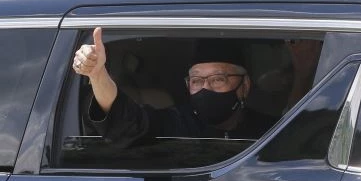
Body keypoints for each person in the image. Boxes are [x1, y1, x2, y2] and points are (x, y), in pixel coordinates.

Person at [72, 27, 277, 146]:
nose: (206, 88)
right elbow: (125, 122)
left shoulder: (271, 131)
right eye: (196, 81)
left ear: (245, 85)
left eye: (218, 79)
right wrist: (98, 74)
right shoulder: (175, 124)